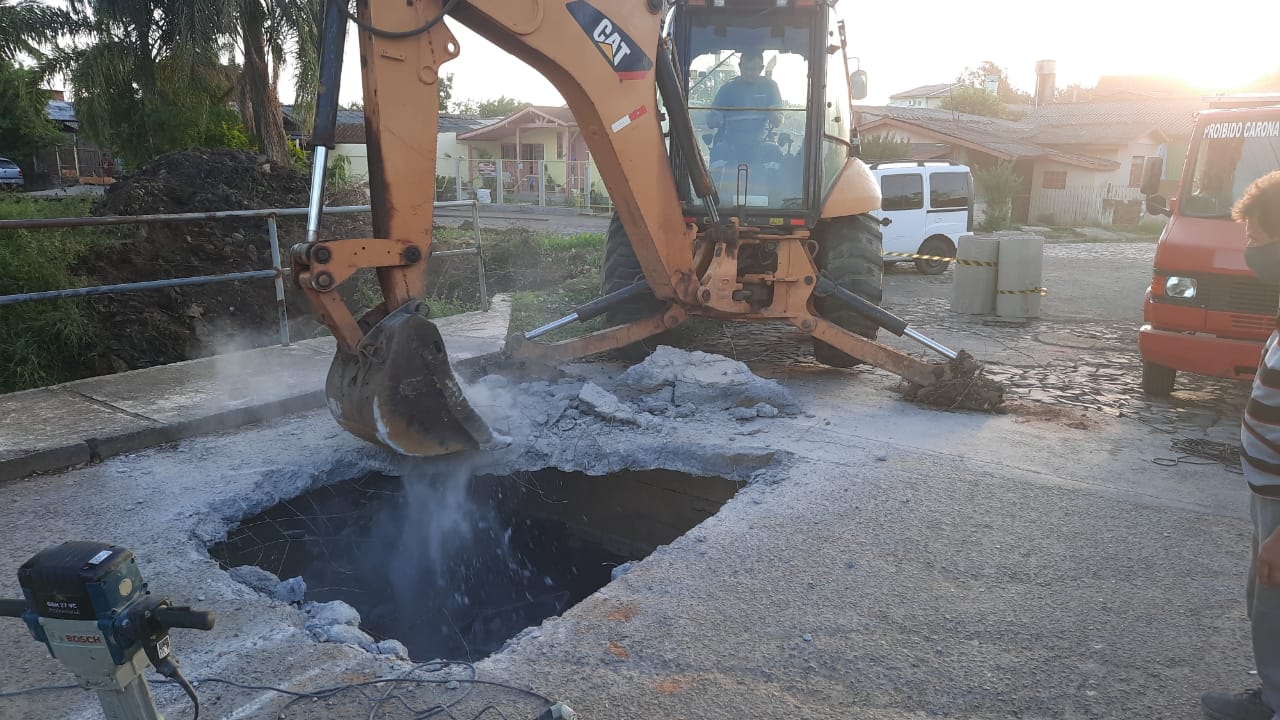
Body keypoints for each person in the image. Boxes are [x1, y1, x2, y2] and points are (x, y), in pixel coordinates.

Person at [1203, 170, 1280, 720]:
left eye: (1255, 239)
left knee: (1274, 605)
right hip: (1268, 491)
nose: (1249, 251)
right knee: (1264, 602)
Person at [706, 50, 784, 166]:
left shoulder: (770, 87)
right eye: (745, 69)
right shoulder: (728, 88)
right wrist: (715, 119)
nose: (748, 73)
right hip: (731, 142)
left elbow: (778, 120)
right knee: (718, 151)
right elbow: (711, 120)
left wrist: (775, 117)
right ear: (739, 66)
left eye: (753, 69)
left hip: (762, 141)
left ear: (761, 68)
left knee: (775, 153)